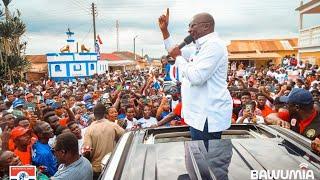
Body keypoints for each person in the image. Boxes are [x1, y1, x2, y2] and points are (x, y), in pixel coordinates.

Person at [159, 8, 232, 149]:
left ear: (206, 26)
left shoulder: (214, 45)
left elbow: (197, 77)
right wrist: (164, 31)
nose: (189, 30)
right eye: (189, 26)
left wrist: (178, 57)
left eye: (193, 26)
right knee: (200, 160)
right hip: (198, 114)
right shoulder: (199, 47)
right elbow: (173, 50)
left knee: (207, 163)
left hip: (207, 117)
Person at [83, 103, 125, 180]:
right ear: (105, 114)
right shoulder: (113, 125)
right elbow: (126, 137)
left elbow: (87, 151)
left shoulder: (89, 129)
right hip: (112, 166)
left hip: (97, 169)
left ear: (94, 114)